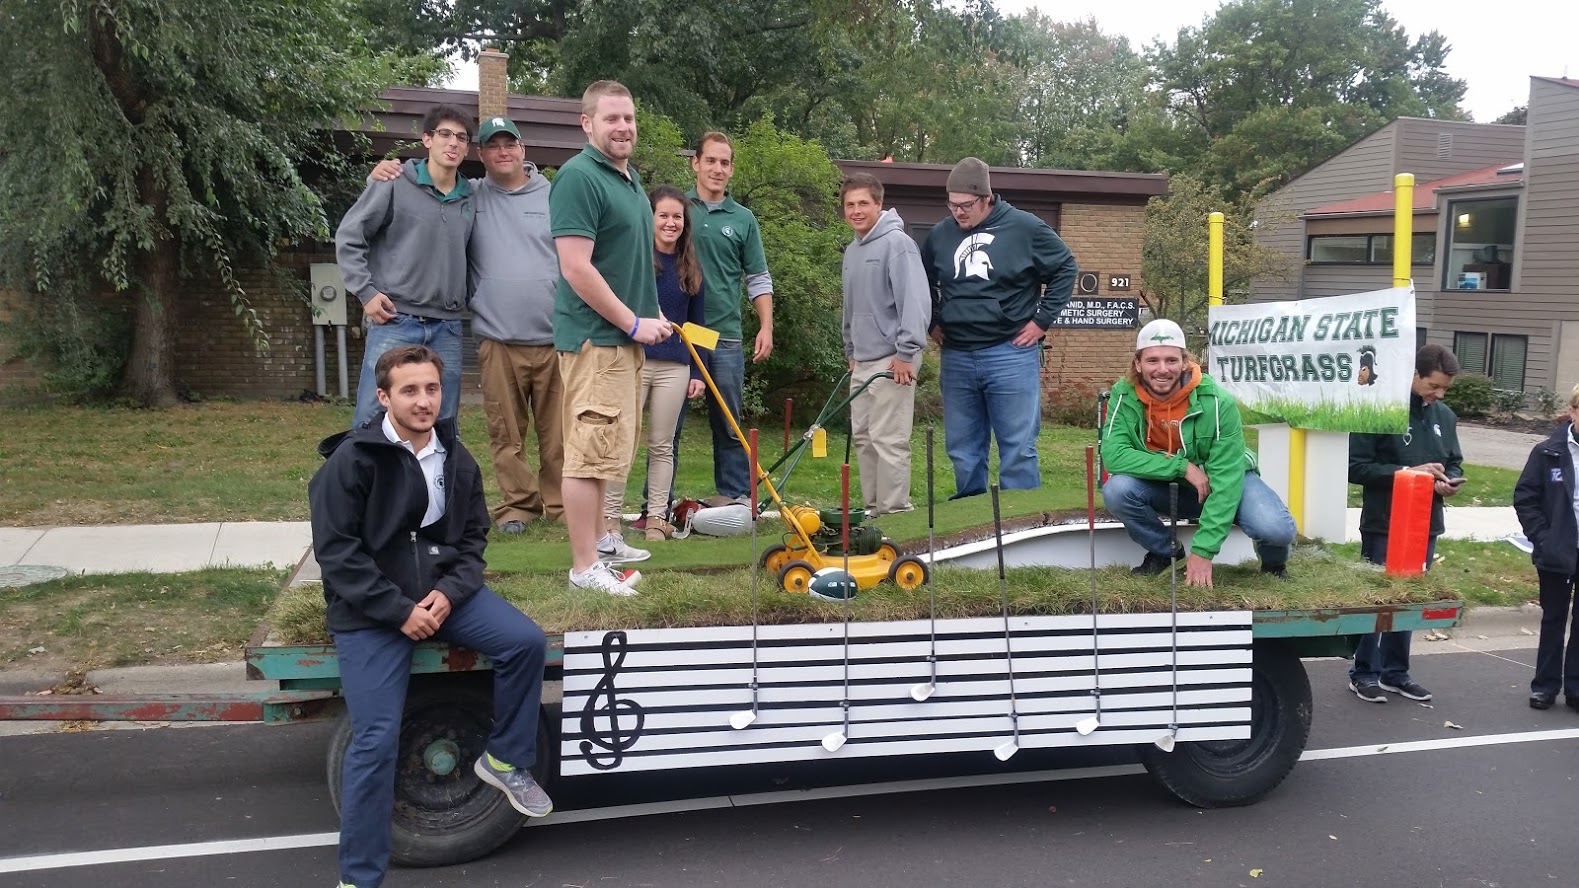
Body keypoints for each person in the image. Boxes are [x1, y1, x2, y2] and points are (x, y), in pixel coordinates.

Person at [308, 345, 551, 888]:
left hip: (444, 595)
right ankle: (359, 876)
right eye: (410, 390)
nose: (423, 401)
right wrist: (399, 612)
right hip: (372, 612)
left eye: (432, 389)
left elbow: (471, 542)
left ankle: (507, 760)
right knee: (375, 741)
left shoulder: (455, 457)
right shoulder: (351, 461)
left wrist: (447, 595)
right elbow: (338, 555)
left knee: (526, 643)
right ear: (384, 396)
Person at [372, 115, 563, 533]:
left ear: (523, 149)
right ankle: (517, 507)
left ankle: (563, 506)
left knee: (559, 435)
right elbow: (427, 187)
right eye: (493, 146)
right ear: (482, 155)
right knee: (505, 433)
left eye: (509, 144)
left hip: (554, 338)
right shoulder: (470, 196)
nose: (503, 152)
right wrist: (388, 170)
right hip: (497, 338)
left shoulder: (555, 194)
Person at [551, 80, 672, 595]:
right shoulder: (580, 178)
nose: (623, 127)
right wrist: (630, 321)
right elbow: (576, 268)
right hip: (596, 341)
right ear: (587, 124)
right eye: (611, 119)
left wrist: (652, 313)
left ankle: (602, 545)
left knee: (607, 454)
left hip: (622, 341)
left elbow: (624, 264)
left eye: (629, 118)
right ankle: (584, 568)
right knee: (587, 454)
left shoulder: (628, 179)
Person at [920, 156, 1078, 499]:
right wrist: (932, 320)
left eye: (966, 205)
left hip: (1010, 352)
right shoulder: (940, 235)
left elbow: (1066, 268)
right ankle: (971, 520)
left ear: (987, 198)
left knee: (1018, 447)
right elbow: (922, 281)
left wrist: (1041, 321)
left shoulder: (1026, 228)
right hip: (957, 355)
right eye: (952, 204)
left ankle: (1019, 523)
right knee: (962, 447)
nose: (958, 212)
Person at [1100, 318, 1296, 587]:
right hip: (1167, 484)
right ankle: (1165, 553)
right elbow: (1114, 456)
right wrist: (1182, 467)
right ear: (1138, 364)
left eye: (1171, 360)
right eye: (1152, 360)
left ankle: (1274, 565)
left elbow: (1226, 481)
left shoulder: (1218, 402)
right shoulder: (1123, 396)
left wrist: (1203, 552)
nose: (1162, 369)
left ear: (1184, 362)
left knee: (1276, 529)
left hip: (1224, 480)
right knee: (1117, 490)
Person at [337, 105, 475, 429]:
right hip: (396, 319)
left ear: (467, 147)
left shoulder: (472, 197)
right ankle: (363, 480)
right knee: (373, 416)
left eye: (461, 137)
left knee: (443, 420)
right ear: (427, 139)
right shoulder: (395, 181)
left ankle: (435, 481)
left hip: (449, 326)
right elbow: (350, 235)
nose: (452, 143)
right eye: (444, 134)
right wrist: (365, 292)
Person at [1346, 344, 1464, 704]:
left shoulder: (1444, 416)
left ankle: (1397, 673)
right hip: (1385, 522)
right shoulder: (1379, 409)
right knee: (1380, 601)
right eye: (1433, 386)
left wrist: (1450, 481)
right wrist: (1406, 474)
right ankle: (1364, 672)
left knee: (1410, 601)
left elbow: (1455, 462)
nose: (1438, 394)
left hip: (1425, 524)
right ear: (1414, 375)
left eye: (1444, 389)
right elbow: (1356, 467)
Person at [604, 185, 709, 542]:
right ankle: (610, 521)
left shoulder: (692, 268)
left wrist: (698, 372)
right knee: (623, 440)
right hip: (634, 361)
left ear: (685, 223)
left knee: (663, 444)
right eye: (662, 215)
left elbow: (700, 327)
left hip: (676, 368)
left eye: (676, 216)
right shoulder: (633, 262)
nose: (670, 222)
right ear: (649, 219)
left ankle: (656, 520)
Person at [684, 132, 774, 503]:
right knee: (666, 426)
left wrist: (766, 326)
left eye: (724, 163)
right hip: (678, 333)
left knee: (730, 424)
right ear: (696, 163)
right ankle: (654, 506)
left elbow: (758, 277)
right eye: (711, 161)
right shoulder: (676, 208)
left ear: (731, 169)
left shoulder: (743, 219)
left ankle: (736, 499)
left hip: (725, 337)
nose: (717, 169)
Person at [839, 173, 930, 518]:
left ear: (879, 204)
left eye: (864, 203)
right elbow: (851, 305)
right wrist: (851, 350)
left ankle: (895, 513)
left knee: (888, 439)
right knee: (864, 437)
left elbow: (915, 302)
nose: (857, 210)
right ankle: (872, 510)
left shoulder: (898, 244)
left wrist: (906, 353)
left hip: (895, 360)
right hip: (862, 360)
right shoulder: (852, 250)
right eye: (850, 204)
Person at [1512, 385, 1579, 710]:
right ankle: (1545, 686)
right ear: (1573, 411)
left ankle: (1576, 688)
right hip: (1557, 549)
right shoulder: (1548, 451)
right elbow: (1525, 497)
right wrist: (1544, 536)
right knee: (1553, 618)